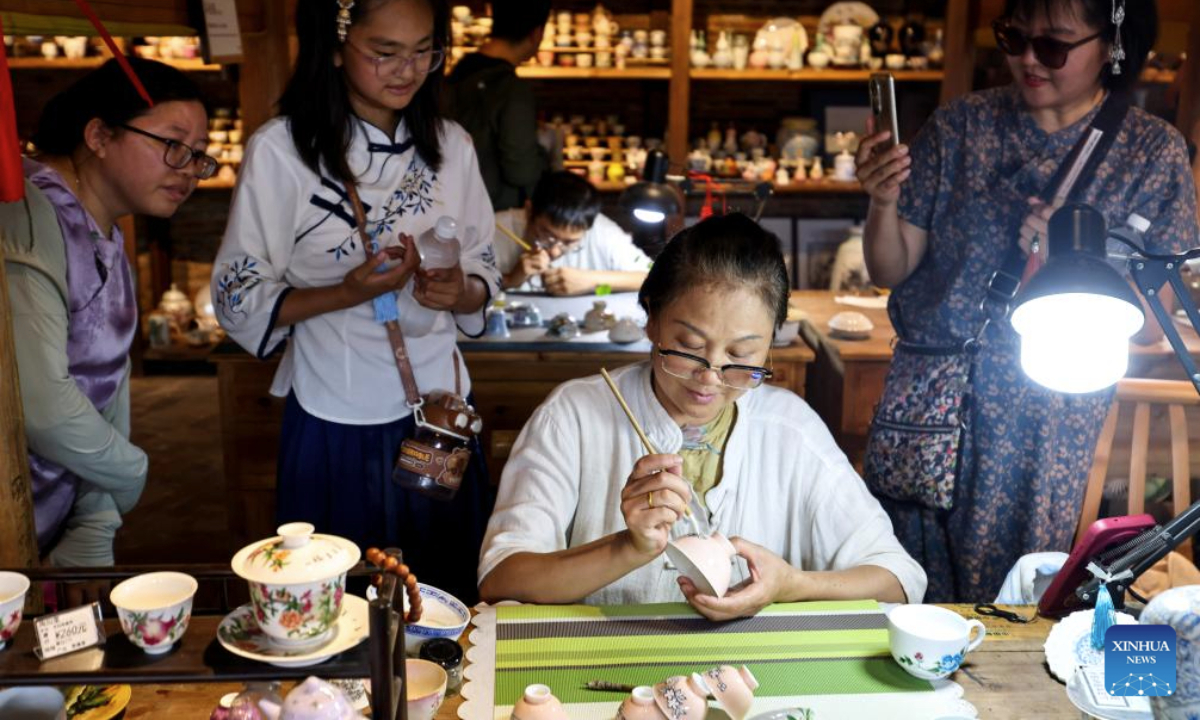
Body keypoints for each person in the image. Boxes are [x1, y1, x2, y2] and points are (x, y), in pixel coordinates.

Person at [855, 0, 1199, 601]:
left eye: (1054, 46)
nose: (1028, 61)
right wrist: (882, 200)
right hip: (931, 401)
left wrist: (1085, 258)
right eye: (1015, 39)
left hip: (1047, 409)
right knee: (905, 589)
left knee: (1016, 596)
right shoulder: (961, 126)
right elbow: (892, 267)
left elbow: (1147, 328)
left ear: (1112, 43)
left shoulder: (1152, 154)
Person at [478, 214, 926, 618]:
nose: (710, 378)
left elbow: (898, 580)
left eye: (742, 354)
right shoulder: (574, 416)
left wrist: (792, 584)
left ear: (771, 343)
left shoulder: (790, 428)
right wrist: (626, 549)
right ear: (651, 318)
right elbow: (501, 580)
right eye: (690, 347)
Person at [212, 0, 501, 603]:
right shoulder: (282, 150)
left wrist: (460, 289)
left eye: (425, 50)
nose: (408, 70)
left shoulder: (451, 146)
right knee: (341, 598)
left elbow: (482, 267)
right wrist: (346, 293)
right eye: (385, 53)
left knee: (446, 594)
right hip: (336, 416)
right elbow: (238, 295)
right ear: (338, 47)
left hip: (443, 415)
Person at [2, 58, 211, 573]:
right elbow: (41, 403)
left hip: (49, 522)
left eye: (198, 156)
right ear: (98, 134)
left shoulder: (107, 232)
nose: (187, 168)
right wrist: (129, 470)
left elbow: (110, 382)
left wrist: (95, 520)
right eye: (172, 144)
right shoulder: (28, 214)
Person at [444, 0, 551, 211]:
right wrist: (545, 149)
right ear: (537, 33)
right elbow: (521, 171)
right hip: (492, 215)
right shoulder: (512, 90)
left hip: (448, 203)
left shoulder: (456, 74)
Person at [495, 171, 652, 295]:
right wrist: (509, 280)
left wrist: (592, 282)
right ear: (529, 212)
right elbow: (469, 291)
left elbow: (655, 278)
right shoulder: (495, 228)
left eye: (569, 243)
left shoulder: (601, 230)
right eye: (547, 234)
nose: (555, 251)